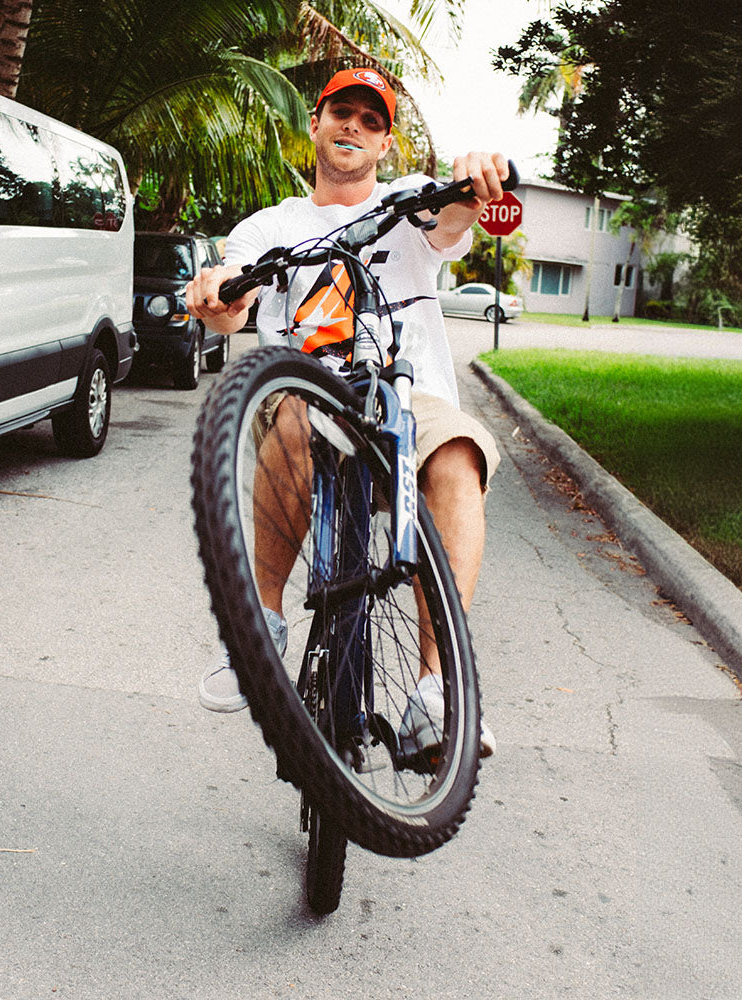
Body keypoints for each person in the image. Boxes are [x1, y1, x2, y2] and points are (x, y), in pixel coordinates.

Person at [187, 67, 510, 759]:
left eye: (371, 119)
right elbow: (228, 304)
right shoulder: (270, 226)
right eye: (342, 112)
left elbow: (453, 217)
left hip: (405, 396)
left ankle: (435, 693)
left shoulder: (408, 201)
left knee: (459, 453)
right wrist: (214, 290)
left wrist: (477, 177)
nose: (353, 126)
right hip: (304, 387)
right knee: (303, 412)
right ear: (316, 123)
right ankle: (261, 626)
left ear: (386, 143)